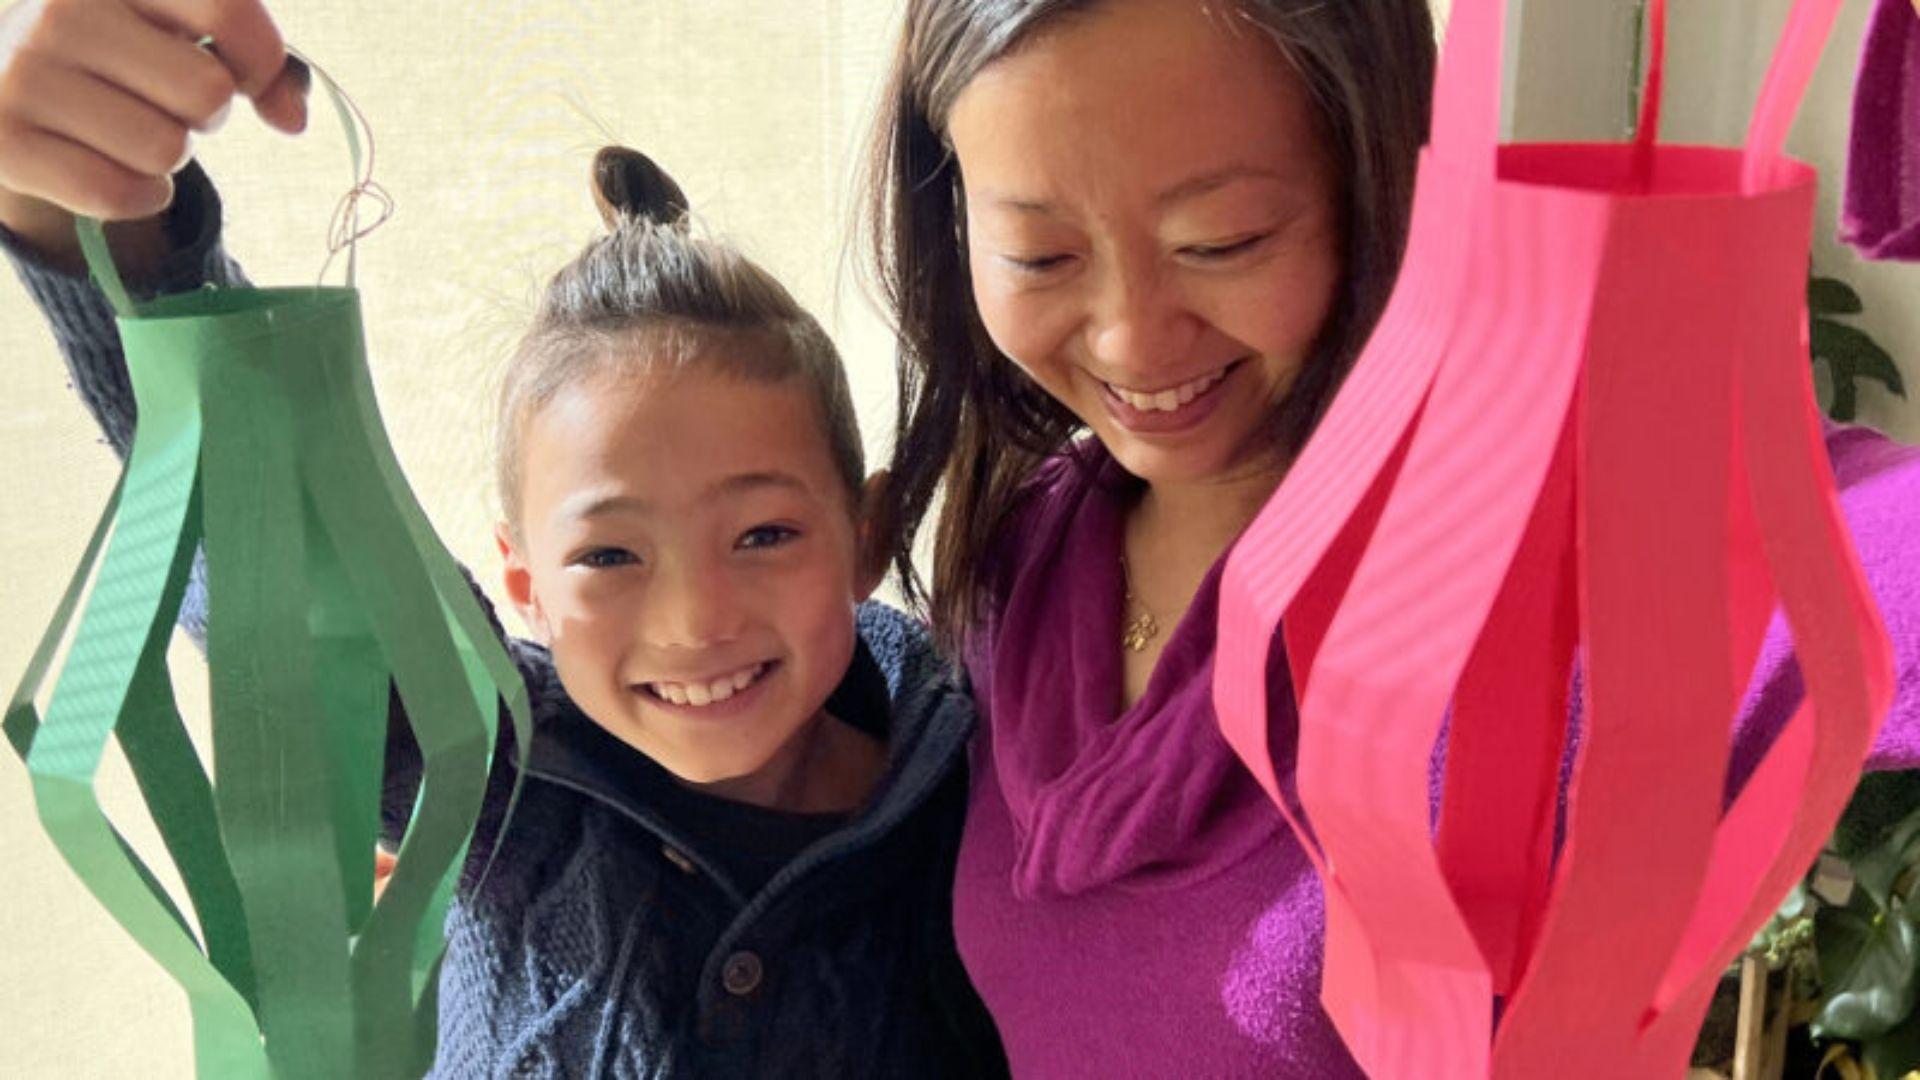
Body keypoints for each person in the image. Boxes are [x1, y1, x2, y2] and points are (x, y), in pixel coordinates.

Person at [863, 0, 1920, 1075]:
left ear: (1375, 180)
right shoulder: (1028, 549)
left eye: (1221, 241)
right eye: (1038, 256)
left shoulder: (1536, 561)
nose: (1131, 336)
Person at [0, 4, 1006, 1070]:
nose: (697, 618)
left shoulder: (976, 782)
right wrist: (100, 228)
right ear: (520, 581)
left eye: (762, 534)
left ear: (867, 534)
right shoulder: (487, 759)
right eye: (609, 556)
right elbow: (276, 538)